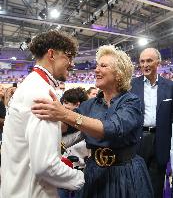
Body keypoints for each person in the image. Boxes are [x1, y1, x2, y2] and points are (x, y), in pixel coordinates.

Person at [32, 45, 154, 198]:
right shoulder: (89, 105)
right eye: (97, 65)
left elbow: (112, 129)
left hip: (125, 174)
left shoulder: (131, 102)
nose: (96, 70)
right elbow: (65, 127)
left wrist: (64, 114)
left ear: (119, 73)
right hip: (94, 173)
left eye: (103, 66)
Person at [1, 30, 84, 198]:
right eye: (68, 56)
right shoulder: (41, 92)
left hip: (17, 187)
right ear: (51, 54)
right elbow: (45, 165)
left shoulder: (31, 84)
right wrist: (80, 177)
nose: (72, 63)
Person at [130, 48, 173, 198]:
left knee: (156, 184)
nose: (145, 64)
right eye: (142, 61)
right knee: (136, 183)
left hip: (160, 141)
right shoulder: (131, 86)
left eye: (149, 61)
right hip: (138, 139)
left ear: (158, 63)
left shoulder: (170, 86)